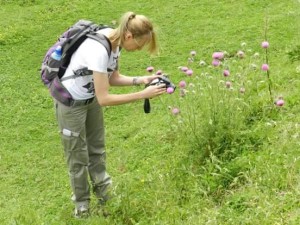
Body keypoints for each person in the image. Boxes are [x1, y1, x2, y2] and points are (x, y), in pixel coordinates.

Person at [54, 11, 166, 218]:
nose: (139, 49)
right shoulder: (99, 49)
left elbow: (112, 77)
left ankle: (105, 195)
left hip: (90, 99)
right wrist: (143, 94)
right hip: (71, 104)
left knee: (97, 149)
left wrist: (141, 80)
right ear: (129, 36)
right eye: (140, 45)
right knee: (77, 157)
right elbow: (105, 98)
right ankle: (82, 206)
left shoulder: (115, 43)